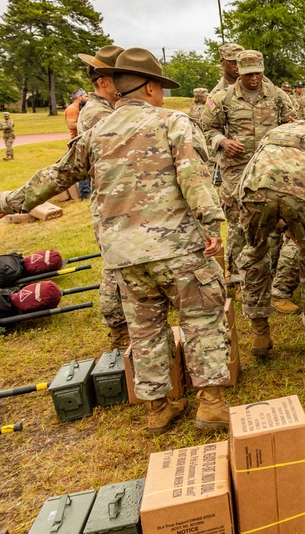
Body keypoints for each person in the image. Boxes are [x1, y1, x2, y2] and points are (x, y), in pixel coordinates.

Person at [0, 48, 231, 433]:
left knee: (145, 330)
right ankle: (211, 404)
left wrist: (6, 202)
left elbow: (54, 177)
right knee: (202, 319)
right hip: (178, 249)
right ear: (152, 87)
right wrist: (211, 224)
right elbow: (194, 176)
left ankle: (158, 407)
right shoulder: (174, 122)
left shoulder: (94, 134)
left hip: (124, 256)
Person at [236, 115, 305, 359]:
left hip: (255, 190)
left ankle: (260, 335)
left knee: (255, 256)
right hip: (300, 192)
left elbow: (255, 169)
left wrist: (280, 219)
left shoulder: (275, 133)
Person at [202, 50, 296, 287]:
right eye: (248, 74)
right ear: (239, 73)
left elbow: (292, 125)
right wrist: (223, 142)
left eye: (258, 73)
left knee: (272, 218)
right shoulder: (223, 98)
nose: (254, 78)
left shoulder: (277, 95)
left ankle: (269, 270)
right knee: (239, 221)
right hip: (237, 170)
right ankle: (236, 273)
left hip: (270, 168)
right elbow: (207, 130)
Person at [76, 44, 131, 350]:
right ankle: (119, 330)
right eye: (118, 78)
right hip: (112, 205)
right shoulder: (98, 114)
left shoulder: (106, 109)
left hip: (120, 200)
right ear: (103, 82)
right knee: (115, 266)